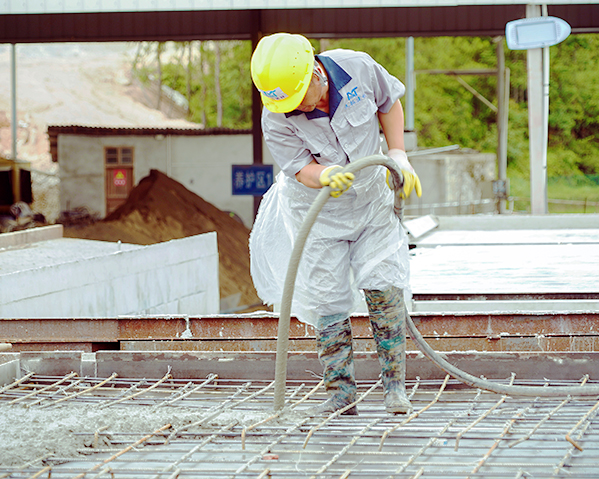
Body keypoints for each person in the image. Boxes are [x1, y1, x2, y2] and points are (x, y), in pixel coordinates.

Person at [249, 33, 422, 416]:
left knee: (384, 286)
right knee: (327, 299)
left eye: (298, 100)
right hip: (318, 209)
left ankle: (395, 389)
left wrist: (397, 154)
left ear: (314, 72)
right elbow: (299, 168)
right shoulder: (275, 113)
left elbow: (388, 104)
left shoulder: (356, 67)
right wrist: (323, 175)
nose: (295, 109)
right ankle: (341, 396)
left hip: (371, 199)